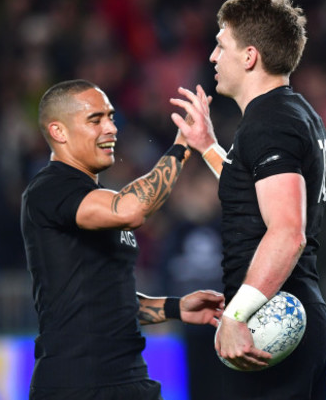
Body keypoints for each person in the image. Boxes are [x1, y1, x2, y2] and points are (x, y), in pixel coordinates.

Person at [170, 0, 326, 399]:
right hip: (294, 316)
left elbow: (287, 232)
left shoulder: (271, 122)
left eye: (221, 44)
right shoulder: (293, 113)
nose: (212, 56)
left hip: (273, 324)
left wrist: (236, 316)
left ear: (248, 57)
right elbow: (254, 191)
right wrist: (209, 145)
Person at [20, 79, 224, 400]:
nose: (111, 128)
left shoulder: (96, 200)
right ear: (59, 132)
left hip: (128, 377)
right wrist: (182, 144)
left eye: (111, 117)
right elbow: (131, 209)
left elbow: (110, 298)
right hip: (76, 385)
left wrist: (176, 307)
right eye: (95, 120)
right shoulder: (49, 189)